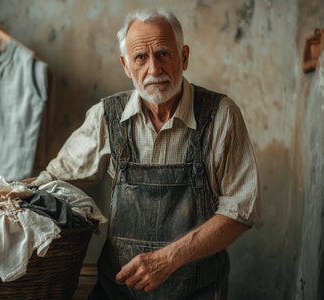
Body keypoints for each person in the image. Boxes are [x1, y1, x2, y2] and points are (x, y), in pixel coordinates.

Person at [28, 8, 261, 299]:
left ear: (184, 57)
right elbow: (53, 182)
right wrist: (5, 197)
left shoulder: (221, 115)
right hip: (118, 290)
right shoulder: (107, 116)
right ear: (126, 66)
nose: (154, 69)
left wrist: (169, 259)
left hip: (196, 291)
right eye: (141, 58)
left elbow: (240, 210)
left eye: (163, 54)